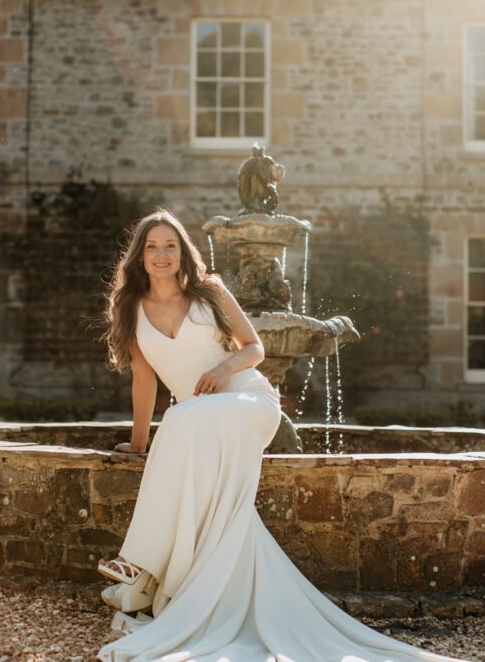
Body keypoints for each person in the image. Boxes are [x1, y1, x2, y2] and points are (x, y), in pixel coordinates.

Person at [96, 209, 462, 662]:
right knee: (182, 422)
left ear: (183, 251)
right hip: (200, 422)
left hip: (248, 403)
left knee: (180, 420)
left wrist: (221, 368)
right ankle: (180, 580)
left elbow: (255, 348)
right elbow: (144, 382)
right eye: (152, 246)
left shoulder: (209, 292)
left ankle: (137, 562)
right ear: (140, 256)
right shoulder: (131, 309)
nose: (161, 254)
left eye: (170, 245)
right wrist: (137, 442)